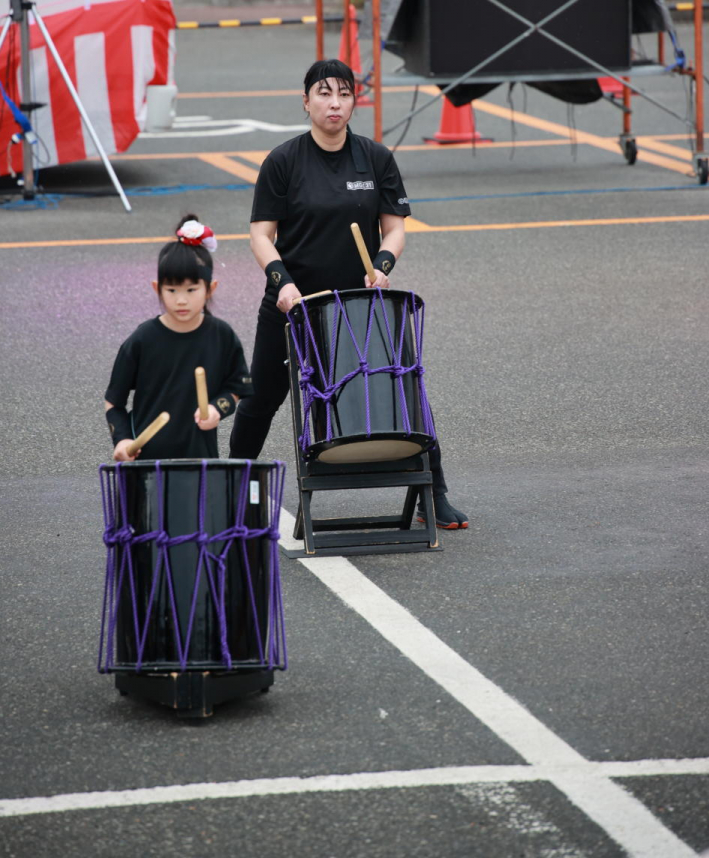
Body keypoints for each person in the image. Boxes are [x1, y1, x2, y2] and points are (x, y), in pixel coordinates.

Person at [228, 58, 468, 529]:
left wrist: (382, 267)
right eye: (323, 93)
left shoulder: (375, 158)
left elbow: (395, 228)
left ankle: (432, 494)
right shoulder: (283, 161)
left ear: (354, 101)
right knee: (261, 399)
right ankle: (235, 487)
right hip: (295, 304)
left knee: (406, 386)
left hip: (360, 306)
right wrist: (283, 282)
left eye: (343, 93)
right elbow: (261, 234)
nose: (334, 103)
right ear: (306, 101)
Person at [105, 214, 250, 461]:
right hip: (147, 463)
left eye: (191, 290)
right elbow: (113, 403)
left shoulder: (221, 336)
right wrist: (122, 440)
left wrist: (217, 409)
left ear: (210, 289)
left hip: (201, 460)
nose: (181, 299)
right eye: (171, 290)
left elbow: (236, 388)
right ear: (156, 288)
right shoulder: (142, 339)